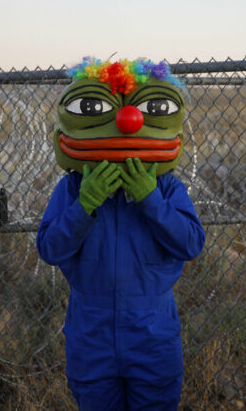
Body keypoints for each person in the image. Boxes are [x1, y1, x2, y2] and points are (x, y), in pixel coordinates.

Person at [37, 57, 205, 411]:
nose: (126, 123)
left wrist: (151, 200)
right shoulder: (73, 189)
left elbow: (191, 243)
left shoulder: (168, 187)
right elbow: (50, 248)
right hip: (90, 335)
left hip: (153, 336)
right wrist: (85, 206)